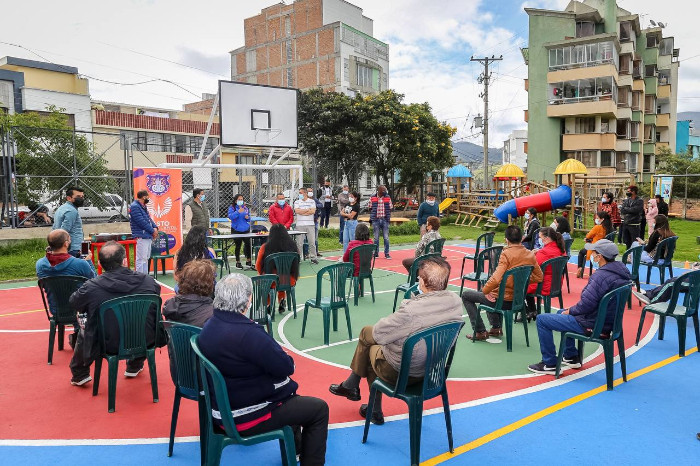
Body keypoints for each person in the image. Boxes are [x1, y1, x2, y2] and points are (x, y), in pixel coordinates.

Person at [198, 273, 329, 465]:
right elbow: (286, 367)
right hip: (246, 414)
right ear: (247, 300)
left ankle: (297, 449)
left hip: (221, 410)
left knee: (292, 398)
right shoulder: (249, 333)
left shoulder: (210, 325)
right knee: (318, 409)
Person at [328, 256, 462, 424]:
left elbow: (379, 333)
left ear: (424, 282)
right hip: (433, 371)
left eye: (419, 277)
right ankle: (352, 386)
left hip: (406, 373)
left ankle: (369, 403)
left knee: (369, 342)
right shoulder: (456, 301)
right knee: (369, 338)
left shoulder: (411, 310)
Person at [528, 239, 631, 374]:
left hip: (594, 325)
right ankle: (571, 356)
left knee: (542, 320)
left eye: (593, 253)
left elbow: (586, 305)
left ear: (600, 256)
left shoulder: (600, 276)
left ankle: (549, 363)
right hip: (609, 323)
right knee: (561, 312)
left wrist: (570, 311)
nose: (591, 256)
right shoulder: (622, 274)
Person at [68, 241, 163, 386]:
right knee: (140, 322)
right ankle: (135, 364)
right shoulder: (149, 282)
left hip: (108, 343)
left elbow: (74, 302)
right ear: (125, 261)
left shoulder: (92, 287)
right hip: (145, 339)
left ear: (99, 264)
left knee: (84, 328)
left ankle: (80, 373)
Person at [462, 225, 543, 341]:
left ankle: (480, 331)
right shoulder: (530, 254)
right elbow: (539, 277)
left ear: (506, 239)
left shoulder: (506, 254)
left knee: (467, 296)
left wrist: (486, 290)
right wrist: (520, 281)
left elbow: (496, 278)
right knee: (488, 292)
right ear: (521, 239)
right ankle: (496, 327)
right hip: (518, 300)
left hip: (503, 301)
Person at [36, 229, 97, 348]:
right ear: (66, 244)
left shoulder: (40, 264)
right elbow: (95, 282)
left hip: (56, 309)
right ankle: (81, 335)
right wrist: (88, 262)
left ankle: (78, 335)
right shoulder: (80, 264)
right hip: (80, 310)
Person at [162, 259, 215, 379]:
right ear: (210, 283)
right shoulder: (213, 314)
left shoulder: (170, 305)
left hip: (179, 373)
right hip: (205, 378)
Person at [523, 227, 567, 321]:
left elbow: (532, 266)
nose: (539, 240)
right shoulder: (561, 249)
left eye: (540, 237)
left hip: (543, 285)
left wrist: (531, 254)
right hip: (556, 284)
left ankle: (529, 310)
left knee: (520, 285)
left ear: (546, 238)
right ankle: (532, 310)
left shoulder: (544, 252)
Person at [256, 224, 300, 314]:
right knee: (282, 274)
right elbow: (296, 263)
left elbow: (258, 265)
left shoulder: (265, 247)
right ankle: (282, 299)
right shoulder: (293, 246)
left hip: (271, 280)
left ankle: (268, 304)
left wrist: (261, 273)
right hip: (288, 279)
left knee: (267, 278)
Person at [129, 190, 159, 275]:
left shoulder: (143, 206)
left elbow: (148, 219)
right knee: (141, 259)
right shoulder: (135, 206)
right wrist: (152, 230)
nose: (148, 199)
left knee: (146, 258)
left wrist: (155, 227)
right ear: (144, 197)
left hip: (147, 235)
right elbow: (141, 222)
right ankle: (139, 277)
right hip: (141, 235)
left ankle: (145, 276)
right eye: (147, 197)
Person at [576, 211, 612, 278]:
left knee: (581, 252)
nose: (596, 219)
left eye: (597, 218)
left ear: (602, 219)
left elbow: (588, 235)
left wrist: (588, 239)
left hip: (595, 249)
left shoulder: (598, 227)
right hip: (605, 248)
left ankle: (580, 268)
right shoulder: (610, 229)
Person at [52, 187, 85, 258]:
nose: (81, 199)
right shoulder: (71, 211)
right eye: (78, 196)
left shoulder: (62, 208)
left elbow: (55, 227)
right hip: (73, 248)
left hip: (65, 247)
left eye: (82, 196)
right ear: (69, 198)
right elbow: (64, 231)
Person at [228, 194, 253, 270]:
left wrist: (248, 218)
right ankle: (238, 262)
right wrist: (238, 212)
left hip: (245, 229)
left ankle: (248, 260)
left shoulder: (245, 208)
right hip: (236, 229)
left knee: (248, 245)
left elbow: (248, 218)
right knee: (238, 246)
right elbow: (231, 217)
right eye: (239, 199)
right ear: (236, 201)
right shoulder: (232, 208)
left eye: (241, 199)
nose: (240, 201)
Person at [293, 188, 318, 264]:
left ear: (305, 193)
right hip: (300, 225)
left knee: (312, 242)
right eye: (299, 193)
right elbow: (297, 211)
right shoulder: (297, 202)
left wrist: (302, 211)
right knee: (299, 243)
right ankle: (299, 258)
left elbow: (313, 211)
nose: (300, 194)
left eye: (301, 193)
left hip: (310, 224)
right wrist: (307, 210)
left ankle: (313, 257)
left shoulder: (312, 201)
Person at [369, 185, 393, 259]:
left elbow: (391, 207)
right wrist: (373, 217)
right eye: (384, 190)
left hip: (385, 219)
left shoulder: (387, 197)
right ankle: (376, 253)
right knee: (376, 238)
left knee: (386, 237)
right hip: (376, 220)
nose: (385, 191)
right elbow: (370, 208)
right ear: (380, 191)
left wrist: (387, 217)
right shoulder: (372, 197)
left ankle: (387, 253)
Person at [619, 185, 644, 249]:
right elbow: (622, 210)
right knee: (627, 241)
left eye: (629, 191)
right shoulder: (627, 200)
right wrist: (629, 209)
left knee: (634, 242)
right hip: (626, 223)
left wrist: (627, 209)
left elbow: (636, 210)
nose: (628, 193)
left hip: (634, 224)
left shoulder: (639, 201)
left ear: (633, 192)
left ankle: (634, 255)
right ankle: (628, 255)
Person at [307, 187, 324, 258]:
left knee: (315, 238)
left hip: (315, 221)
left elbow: (321, 205)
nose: (310, 193)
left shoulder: (315, 200)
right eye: (309, 191)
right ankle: (306, 253)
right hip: (307, 222)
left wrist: (315, 206)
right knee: (306, 239)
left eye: (311, 191)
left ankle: (316, 252)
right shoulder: (303, 201)